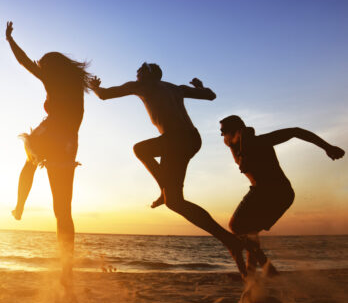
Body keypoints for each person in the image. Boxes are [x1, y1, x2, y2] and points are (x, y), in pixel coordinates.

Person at [90, 63, 247, 276]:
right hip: (191, 139)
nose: (136, 76)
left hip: (176, 140)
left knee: (140, 149)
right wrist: (200, 88)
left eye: (139, 72)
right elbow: (211, 96)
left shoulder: (142, 86)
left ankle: (164, 190)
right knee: (175, 201)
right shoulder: (176, 87)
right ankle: (229, 241)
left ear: (147, 75)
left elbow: (105, 95)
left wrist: (96, 87)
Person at [5, 21, 91, 298]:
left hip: (52, 133)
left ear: (51, 67)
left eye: (43, 64)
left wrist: (9, 39)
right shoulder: (76, 84)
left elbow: (23, 62)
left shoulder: (52, 79)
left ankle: (19, 207)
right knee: (62, 210)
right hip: (69, 143)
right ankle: (67, 269)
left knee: (29, 161)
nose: (39, 67)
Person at [220, 115, 344, 274]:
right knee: (251, 234)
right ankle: (253, 281)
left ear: (235, 131)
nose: (222, 136)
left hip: (272, 191)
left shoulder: (259, 141)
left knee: (235, 226)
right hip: (281, 194)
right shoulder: (237, 147)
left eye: (224, 132)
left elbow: (295, 131)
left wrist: (327, 147)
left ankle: (267, 267)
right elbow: (245, 132)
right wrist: (242, 149)